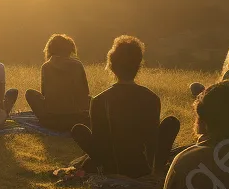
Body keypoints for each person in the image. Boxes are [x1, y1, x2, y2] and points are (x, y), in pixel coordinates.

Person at [70, 36, 179, 178]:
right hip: (143, 168)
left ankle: (102, 166)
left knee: (78, 130)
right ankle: (156, 168)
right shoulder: (152, 98)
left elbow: (99, 142)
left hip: (112, 166)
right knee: (171, 122)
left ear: (111, 66)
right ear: (138, 66)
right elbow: (152, 140)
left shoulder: (98, 100)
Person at [24, 34, 91, 132]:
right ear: (69, 49)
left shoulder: (46, 67)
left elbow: (44, 94)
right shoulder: (77, 65)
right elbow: (85, 92)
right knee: (93, 99)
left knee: (29, 93)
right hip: (77, 120)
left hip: (51, 121)